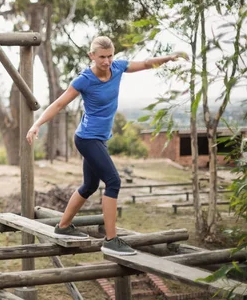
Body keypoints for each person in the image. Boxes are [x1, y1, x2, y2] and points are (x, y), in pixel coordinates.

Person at [26, 36, 186, 256]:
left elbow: (147, 63)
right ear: (92, 56)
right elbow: (60, 103)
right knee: (113, 181)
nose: (107, 61)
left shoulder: (118, 68)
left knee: (89, 186)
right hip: (87, 139)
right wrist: (37, 124)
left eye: (110, 56)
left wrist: (169, 57)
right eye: (102, 57)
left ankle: (63, 227)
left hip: (99, 139)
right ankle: (111, 240)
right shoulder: (84, 79)